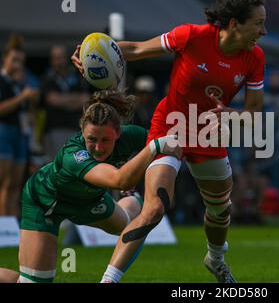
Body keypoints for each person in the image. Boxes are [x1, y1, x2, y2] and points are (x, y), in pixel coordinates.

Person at [72, 0, 267, 283]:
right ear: (234, 24)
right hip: (170, 127)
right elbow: (136, 49)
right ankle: (108, 281)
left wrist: (231, 114)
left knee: (220, 210)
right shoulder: (191, 35)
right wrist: (92, 53)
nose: (263, 31)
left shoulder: (255, 58)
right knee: (153, 209)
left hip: (210, 136)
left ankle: (215, 259)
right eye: (258, 23)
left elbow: (253, 112)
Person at [0, 89, 181, 283]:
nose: (98, 148)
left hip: (89, 200)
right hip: (45, 203)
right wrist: (154, 147)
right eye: (91, 140)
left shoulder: (130, 136)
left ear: (118, 132)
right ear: (82, 131)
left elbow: (171, 146)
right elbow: (121, 180)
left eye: (106, 140)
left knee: (129, 224)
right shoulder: (73, 155)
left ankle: (133, 200)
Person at [0, 34, 40, 217]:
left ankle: (12, 227)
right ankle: (3, 225)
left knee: (16, 183)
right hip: (4, 132)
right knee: (5, 182)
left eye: (20, 61)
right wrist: (22, 97)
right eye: (14, 60)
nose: (17, 65)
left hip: (21, 133)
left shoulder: (21, 82)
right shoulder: (2, 81)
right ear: (5, 59)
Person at [42, 45, 91, 159]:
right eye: (56, 58)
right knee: (56, 165)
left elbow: (85, 99)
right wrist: (74, 99)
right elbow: (53, 100)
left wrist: (63, 100)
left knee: (74, 164)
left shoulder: (78, 76)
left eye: (61, 57)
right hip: (55, 129)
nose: (59, 61)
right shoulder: (48, 78)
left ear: (66, 58)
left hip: (75, 128)